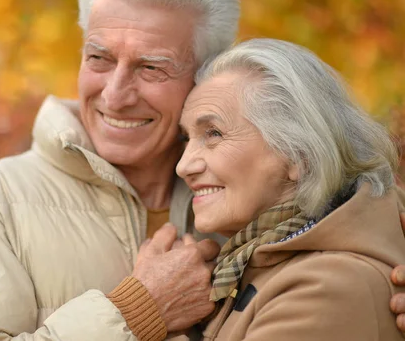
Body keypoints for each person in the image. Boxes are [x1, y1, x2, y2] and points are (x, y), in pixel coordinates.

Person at [0, 0, 405, 341]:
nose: (115, 94)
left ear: (204, 76)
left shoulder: (250, 191)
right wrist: (134, 314)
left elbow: (348, 242)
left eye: (151, 67)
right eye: (99, 58)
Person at [173, 38, 405, 339]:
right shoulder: (254, 265)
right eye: (186, 139)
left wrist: (148, 316)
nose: (183, 166)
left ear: (299, 153)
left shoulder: (328, 288)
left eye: (213, 133)